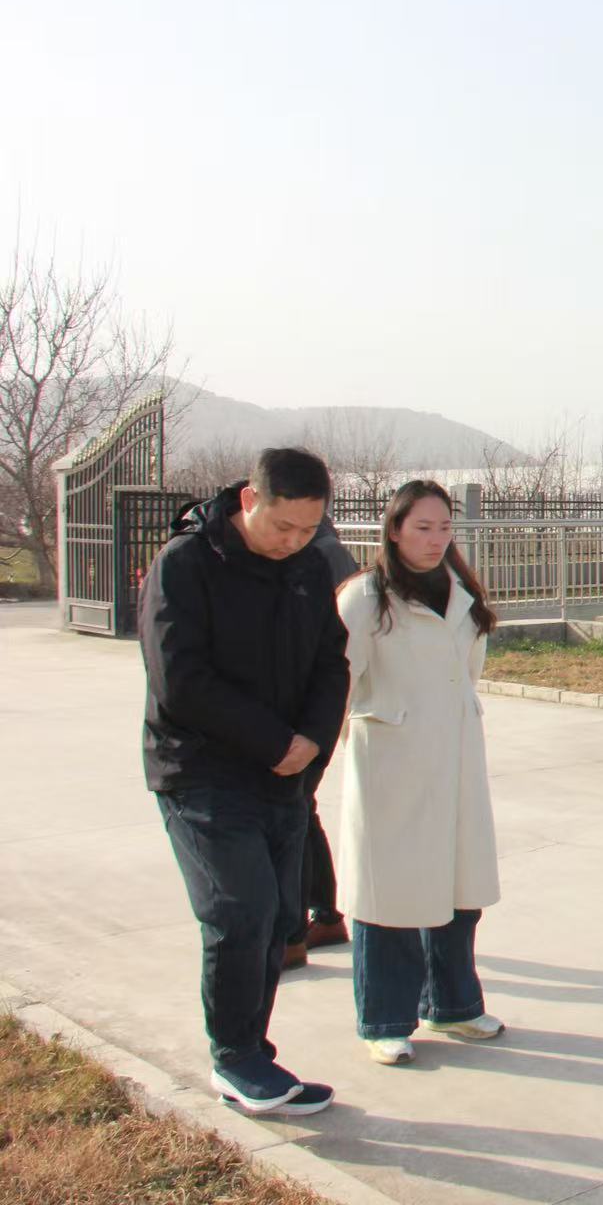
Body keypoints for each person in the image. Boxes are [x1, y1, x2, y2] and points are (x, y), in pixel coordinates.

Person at [139, 447, 347, 1117]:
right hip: (201, 772)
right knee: (240, 910)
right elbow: (181, 681)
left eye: (309, 529)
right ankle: (233, 1058)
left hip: (284, 776)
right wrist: (275, 741)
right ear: (251, 500)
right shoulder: (187, 564)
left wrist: (312, 740)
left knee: (279, 919)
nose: (294, 541)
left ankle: (254, 1055)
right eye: (283, 526)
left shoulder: (308, 567)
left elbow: (332, 662)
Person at [334, 481, 505, 1065]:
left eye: (444, 528)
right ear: (394, 529)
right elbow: (340, 681)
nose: (435, 540)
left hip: (454, 757)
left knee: (458, 888)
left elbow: (467, 674)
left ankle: (453, 1005)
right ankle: (384, 1019)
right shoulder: (365, 598)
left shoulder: (461, 592)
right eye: (422, 528)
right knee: (391, 894)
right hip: (392, 764)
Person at [284, 515, 359, 969]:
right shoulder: (315, 549)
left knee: (292, 815)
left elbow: (340, 648)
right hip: (304, 711)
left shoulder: (321, 555)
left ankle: (296, 931)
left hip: (310, 715)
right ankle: (324, 917)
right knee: (300, 812)